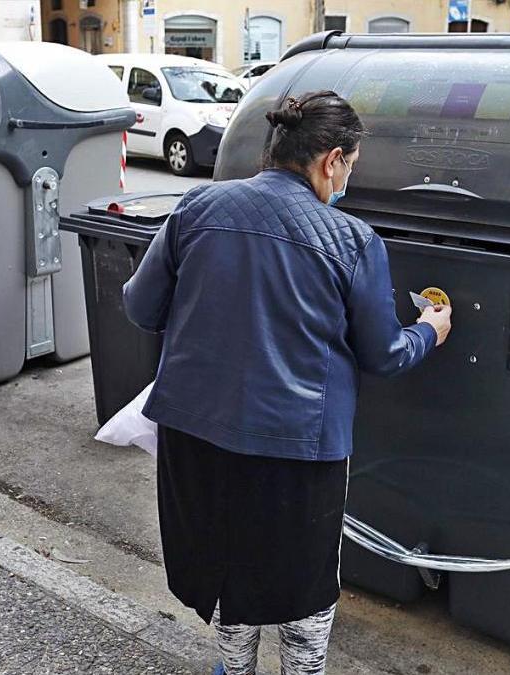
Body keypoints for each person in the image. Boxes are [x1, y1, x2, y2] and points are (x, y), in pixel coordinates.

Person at [122, 90, 452, 675]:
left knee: (225, 569)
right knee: (301, 587)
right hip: (297, 449)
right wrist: (428, 331)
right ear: (332, 161)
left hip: (194, 438)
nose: (347, 178)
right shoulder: (352, 240)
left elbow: (141, 307)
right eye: (350, 165)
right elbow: (381, 354)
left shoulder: (197, 207)